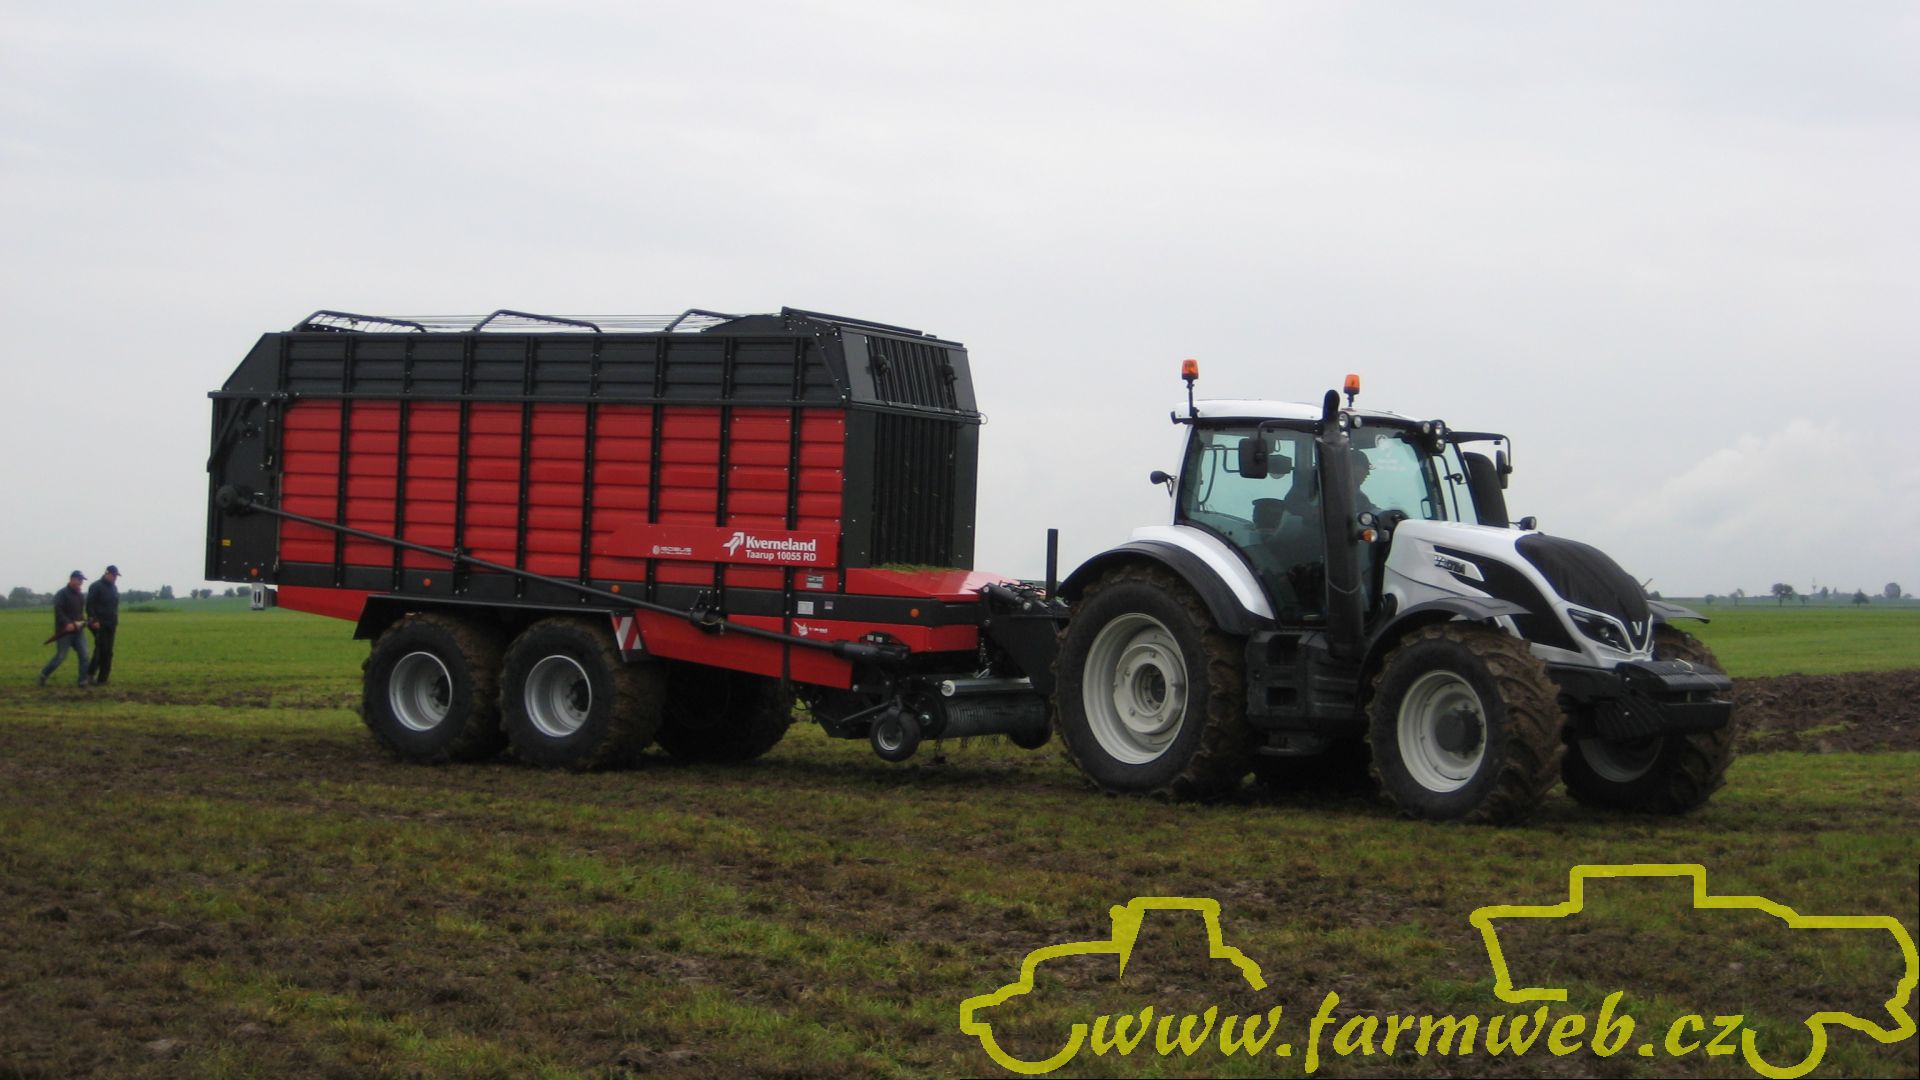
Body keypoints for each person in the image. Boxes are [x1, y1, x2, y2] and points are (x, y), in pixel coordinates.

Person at [39, 571, 91, 688]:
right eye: (79, 580)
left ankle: (82, 681)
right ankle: (43, 675)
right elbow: (59, 611)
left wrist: (84, 621)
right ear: (72, 579)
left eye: (82, 580)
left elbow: (80, 613)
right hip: (65, 632)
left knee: (84, 654)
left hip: (78, 632)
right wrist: (67, 623)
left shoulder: (80, 596)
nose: (81, 582)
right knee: (61, 656)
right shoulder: (61, 594)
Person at [86, 565, 123, 687]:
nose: (115, 578)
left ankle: (103, 679)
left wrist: (115, 620)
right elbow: (89, 605)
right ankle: (90, 674)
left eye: (116, 576)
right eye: (114, 575)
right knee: (101, 650)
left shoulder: (114, 588)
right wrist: (94, 620)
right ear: (107, 574)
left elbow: (114, 606)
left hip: (111, 624)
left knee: (109, 652)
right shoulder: (96, 586)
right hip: (99, 623)